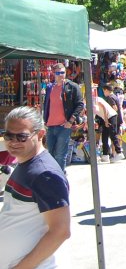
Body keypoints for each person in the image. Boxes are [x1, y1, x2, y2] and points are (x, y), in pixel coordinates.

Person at [0, 107, 71, 269]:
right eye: (9, 136)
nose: (13, 142)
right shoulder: (25, 163)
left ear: (40, 135)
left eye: (22, 136)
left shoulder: (45, 174)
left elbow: (60, 231)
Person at [43, 63, 85, 172]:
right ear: (54, 74)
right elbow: (47, 104)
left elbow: (80, 104)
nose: (61, 75)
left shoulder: (72, 86)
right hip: (50, 126)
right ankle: (54, 175)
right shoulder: (49, 87)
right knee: (50, 154)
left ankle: (59, 178)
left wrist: (71, 121)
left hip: (64, 126)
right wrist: (45, 120)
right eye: (58, 73)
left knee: (60, 155)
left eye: (63, 72)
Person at [97, 83, 122, 163]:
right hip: (115, 118)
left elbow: (115, 108)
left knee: (113, 135)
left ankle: (117, 153)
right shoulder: (114, 96)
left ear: (106, 90)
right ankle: (106, 154)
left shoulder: (110, 98)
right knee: (107, 135)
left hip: (112, 118)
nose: (104, 93)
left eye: (104, 91)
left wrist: (110, 116)